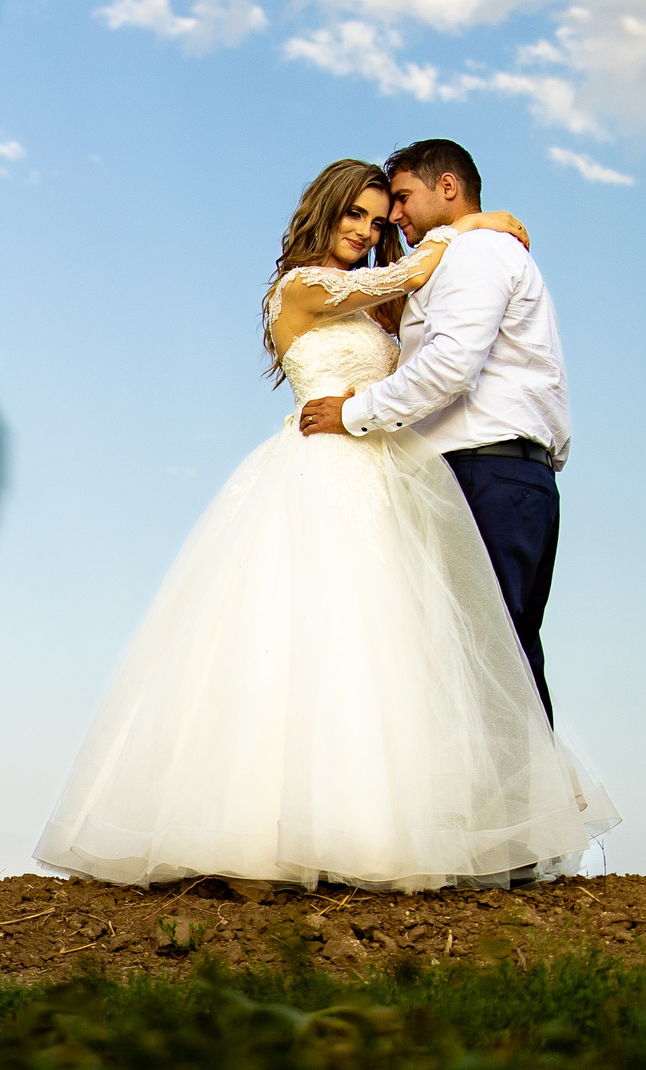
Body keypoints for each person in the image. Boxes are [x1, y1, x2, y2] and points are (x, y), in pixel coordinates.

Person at [33, 157, 615, 891]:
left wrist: (459, 241)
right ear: (325, 209)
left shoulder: (369, 303)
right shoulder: (305, 288)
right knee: (304, 638)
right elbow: (402, 278)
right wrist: (474, 223)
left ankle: (397, 827)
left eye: (378, 219)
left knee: (393, 646)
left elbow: (418, 317)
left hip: (387, 472)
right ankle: (270, 831)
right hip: (321, 469)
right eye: (357, 215)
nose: (369, 230)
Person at [297, 139, 569, 719]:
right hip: (479, 475)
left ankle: (518, 804)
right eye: (365, 213)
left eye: (398, 200)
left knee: (490, 660)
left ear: (446, 188)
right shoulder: (446, 260)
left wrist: (351, 412)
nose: (389, 221)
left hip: (484, 473)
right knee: (478, 658)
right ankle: (498, 802)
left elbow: (449, 366)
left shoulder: (475, 254)